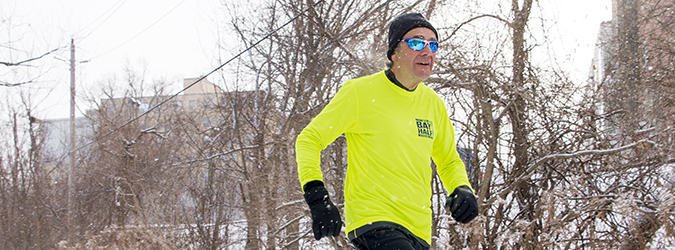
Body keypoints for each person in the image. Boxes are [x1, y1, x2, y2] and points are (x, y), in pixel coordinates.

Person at [295, 13, 478, 250]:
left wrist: (462, 188)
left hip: (419, 229)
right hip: (374, 219)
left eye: (433, 44)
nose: (427, 51)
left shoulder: (433, 104)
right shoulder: (360, 92)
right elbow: (309, 139)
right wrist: (317, 198)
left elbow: (449, 160)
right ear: (394, 53)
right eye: (416, 42)